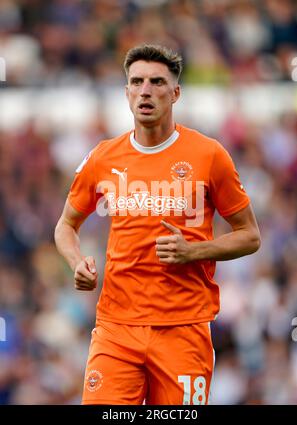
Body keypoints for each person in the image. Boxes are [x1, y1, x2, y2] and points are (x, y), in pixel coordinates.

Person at [54, 44, 261, 405]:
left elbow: (250, 235)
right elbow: (65, 226)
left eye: (156, 82)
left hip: (183, 328)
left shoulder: (209, 155)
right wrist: (77, 262)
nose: (145, 90)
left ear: (175, 92)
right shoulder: (104, 157)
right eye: (137, 82)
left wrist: (193, 251)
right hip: (116, 329)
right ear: (127, 92)